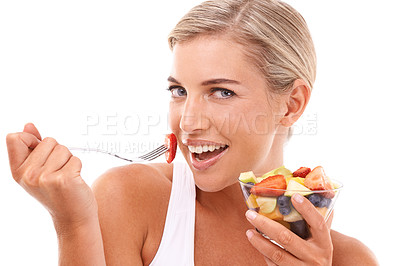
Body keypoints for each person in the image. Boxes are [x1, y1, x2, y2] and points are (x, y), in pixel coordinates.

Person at [6, 0, 378, 265]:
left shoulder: (348, 259)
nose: (187, 122)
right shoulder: (133, 199)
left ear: (292, 103)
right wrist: (72, 224)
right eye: (179, 91)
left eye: (222, 92)